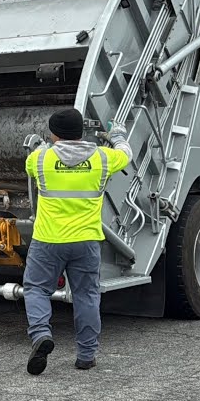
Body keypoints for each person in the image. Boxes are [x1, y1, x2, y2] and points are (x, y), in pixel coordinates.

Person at [22, 108, 132, 375]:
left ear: (53, 134)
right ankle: (86, 355)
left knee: (36, 289)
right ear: (82, 132)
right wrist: (117, 136)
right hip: (86, 241)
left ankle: (40, 335)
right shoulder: (103, 159)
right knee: (86, 296)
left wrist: (45, 146)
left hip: (48, 240)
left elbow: (33, 164)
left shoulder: (40, 159)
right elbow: (127, 155)